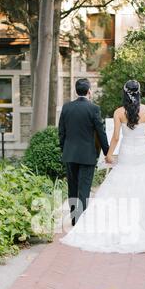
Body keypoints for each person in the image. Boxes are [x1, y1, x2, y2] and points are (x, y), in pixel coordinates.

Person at [60, 79, 145, 253]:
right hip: (141, 154)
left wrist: (109, 155)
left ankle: (83, 221)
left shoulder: (118, 112)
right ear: (139, 92)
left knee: (113, 186)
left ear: (124, 93)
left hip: (124, 153)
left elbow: (115, 137)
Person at [58, 78, 109, 226]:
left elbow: (61, 132)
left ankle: (75, 219)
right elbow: (101, 132)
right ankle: (80, 222)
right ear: (89, 91)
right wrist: (107, 152)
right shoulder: (94, 109)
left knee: (72, 188)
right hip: (87, 155)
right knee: (84, 189)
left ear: (75, 91)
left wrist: (64, 149)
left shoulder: (66, 107)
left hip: (70, 154)